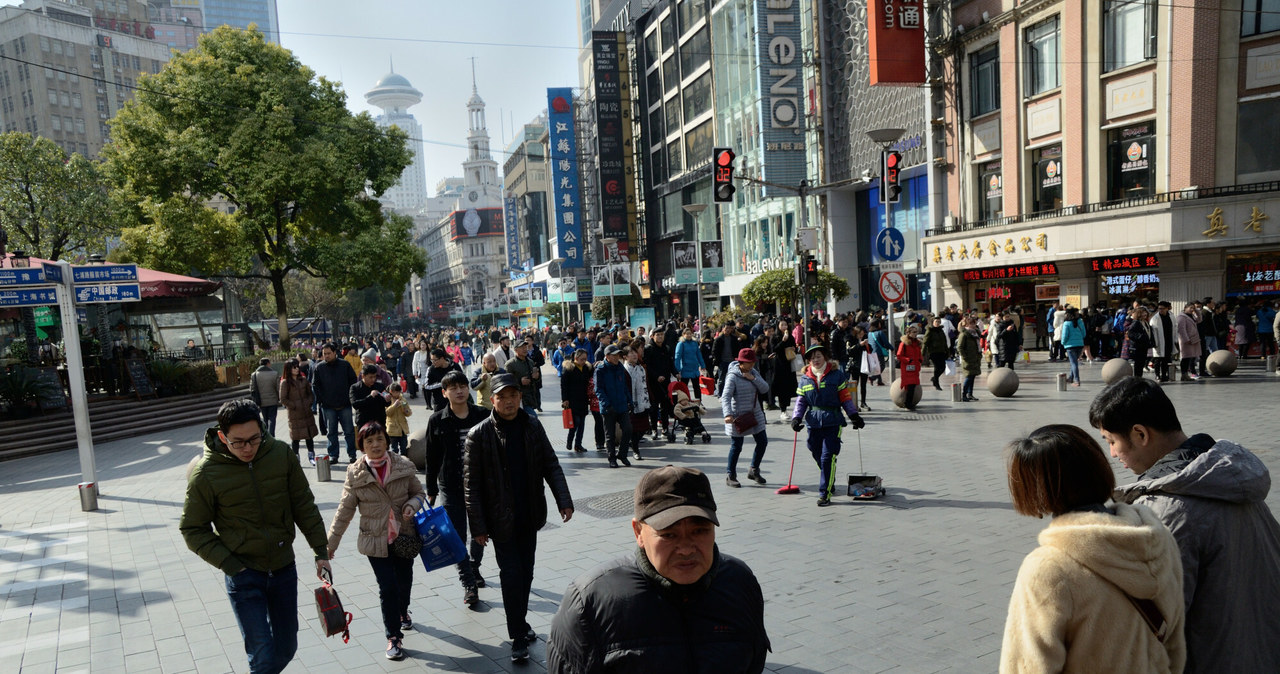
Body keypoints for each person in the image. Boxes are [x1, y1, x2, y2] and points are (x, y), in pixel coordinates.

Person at [1088, 377, 1280, 673]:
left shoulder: (1167, 511)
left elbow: (1153, 631)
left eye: (1111, 441)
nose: (1112, 454)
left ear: (1140, 434)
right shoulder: (1231, 477)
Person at [1000, 424, 1185, 673]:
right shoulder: (1156, 536)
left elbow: (1029, 666)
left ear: (1036, 490)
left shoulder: (1047, 568)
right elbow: (1174, 645)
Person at [547, 466, 770, 672]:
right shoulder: (589, 602)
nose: (685, 549)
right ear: (638, 532)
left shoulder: (740, 583)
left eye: (699, 531)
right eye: (668, 535)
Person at [180, 399, 330, 674]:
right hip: (244, 574)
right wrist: (231, 565)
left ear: (262, 429)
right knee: (261, 656)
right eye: (238, 442)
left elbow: (303, 505)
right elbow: (192, 528)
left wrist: (321, 551)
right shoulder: (205, 474)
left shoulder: (281, 454)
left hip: (283, 567)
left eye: (254, 439)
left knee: (286, 648)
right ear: (222, 436)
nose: (247, 448)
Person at [463, 374, 574, 663]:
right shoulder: (479, 435)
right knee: (511, 576)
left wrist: (564, 499)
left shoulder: (532, 425)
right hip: (500, 520)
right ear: (492, 399)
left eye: (514, 395)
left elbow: (550, 462)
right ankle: (517, 637)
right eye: (503, 396)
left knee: (526, 573)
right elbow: (471, 486)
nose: (509, 401)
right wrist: (478, 527)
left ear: (520, 398)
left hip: (529, 514)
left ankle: (521, 623)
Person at [326, 422, 427, 662]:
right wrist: (330, 545)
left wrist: (413, 505)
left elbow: (418, 492)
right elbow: (344, 511)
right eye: (369, 441)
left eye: (379, 439)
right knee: (387, 587)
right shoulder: (356, 473)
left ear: (387, 441)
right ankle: (393, 636)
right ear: (361, 446)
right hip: (375, 540)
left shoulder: (403, 465)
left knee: (404, 582)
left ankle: (403, 611)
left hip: (404, 535)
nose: (375, 445)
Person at [425, 371, 491, 608]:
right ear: (444, 393)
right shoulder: (437, 420)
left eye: (463, 386)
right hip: (450, 485)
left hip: (480, 484)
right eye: (453, 388)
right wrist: (430, 488)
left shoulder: (483, 415)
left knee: (481, 530)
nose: (460, 391)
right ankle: (468, 582)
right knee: (456, 535)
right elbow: (431, 457)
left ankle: (474, 567)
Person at [790, 344, 865, 506]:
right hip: (813, 422)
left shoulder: (836, 375)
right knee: (814, 450)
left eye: (818, 356)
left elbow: (845, 398)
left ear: (825, 357)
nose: (815, 360)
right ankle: (828, 471)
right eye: (812, 357)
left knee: (827, 457)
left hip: (833, 420)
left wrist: (854, 416)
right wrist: (796, 418)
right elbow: (801, 402)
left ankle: (825, 493)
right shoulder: (804, 379)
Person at [721, 348, 769, 488]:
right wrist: (727, 414)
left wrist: (753, 378)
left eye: (753, 362)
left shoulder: (753, 373)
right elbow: (726, 397)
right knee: (737, 446)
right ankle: (731, 475)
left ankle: (754, 469)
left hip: (755, 413)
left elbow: (765, 388)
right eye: (749, 362)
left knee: (762, 441)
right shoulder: (733, 376)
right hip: (738, 416)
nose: (752, 365)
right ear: (741, 363)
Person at [312, 342, 358, 464]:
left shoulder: (344, 365)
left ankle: (352, 454)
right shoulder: (319, 367)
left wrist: (350, 398)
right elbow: (315, 386)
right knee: (331, 432)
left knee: (349, 431)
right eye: (324, 354)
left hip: (345, 405)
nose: (326, 356)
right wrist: (321, 400)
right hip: (328, 406)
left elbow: (353, 382)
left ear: (334, 353)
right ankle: (333, 455)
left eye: (328, 353)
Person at [593, 344, 633, 468]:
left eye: (618, 355)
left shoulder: (620, 367)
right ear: (607, 356)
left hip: (621, 405)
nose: (617, 358)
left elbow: (624, 386)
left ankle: (622, 454)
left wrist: (629, 401)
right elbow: (598, 389)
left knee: (628, 429)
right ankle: (612, 458)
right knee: (610, 435)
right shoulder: (600, 369)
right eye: (614, 355)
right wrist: (606, 404)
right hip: (608, 407)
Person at [278, 360, 319, 464]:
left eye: (297, 367)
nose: (296, 369)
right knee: (295, 438)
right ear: (288, 369)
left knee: (309, 436)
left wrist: (308, 402)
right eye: (293, 367)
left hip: (306, 413)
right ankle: (296, 457)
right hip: (294, 414)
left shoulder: (303, 380)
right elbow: (283, 399)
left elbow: (310, 394)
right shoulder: (285, 382)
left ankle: (311, 455)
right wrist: (294, 405)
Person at [560, 349, 592, 453]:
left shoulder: (587, 368)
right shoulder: (569, 369)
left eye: (585, 359)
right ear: (576, 358)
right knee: (575, 422)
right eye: (581, 359)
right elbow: (564, 385)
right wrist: (565, 399)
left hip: (583, 399)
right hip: (572, 400)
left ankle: (578, 444)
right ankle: (570, 440)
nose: (584, 361)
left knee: (582, 423)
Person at [624, 345, 651, 461]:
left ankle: (632, 443)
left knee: (645, 427)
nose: (634, 355)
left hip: (643, 401)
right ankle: (636, 450)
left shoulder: (641, 368)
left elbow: (646, 384)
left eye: (635, 352)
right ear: (625, 357)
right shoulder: (624, 370)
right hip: (630, 403)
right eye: (631, 353)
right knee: (634, 429)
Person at [769, 319, 799, 423]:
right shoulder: (775, 337)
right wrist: (783, 341)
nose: (784, 327)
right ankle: (783, 410)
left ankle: (786, 408)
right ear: (778, 326)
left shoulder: (790, 336)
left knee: (788, 388)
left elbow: (794, 346)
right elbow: (774, 349)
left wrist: (793, 348)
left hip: (789, 364)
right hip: (779, 365)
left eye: (786, 324)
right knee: (781, 389)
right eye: (782, 325)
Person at [504, 340, 543, 417]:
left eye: (525, 347)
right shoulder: (510, 364)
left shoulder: (530, 362)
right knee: (533, 419)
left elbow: (536, 381)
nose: (525, 349)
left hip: (530, 398)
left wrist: (537, 377)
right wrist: (520, 381)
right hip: (517, 399)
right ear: (516, 350)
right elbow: (506, 382)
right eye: (522, 347)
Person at [351, 363, 390, 434]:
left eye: (374, 377)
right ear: (363, 376)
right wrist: (370, 397)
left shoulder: (380, 386)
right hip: (364, 422)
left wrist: (388, 400)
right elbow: (355, 404)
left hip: (379, 422)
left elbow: (386, 403)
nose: (373, 379)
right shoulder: (355, 388)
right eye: (370, 377)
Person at [422, 347, 464, 411]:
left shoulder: (454, 366)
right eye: (431, 360)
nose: (433, 362)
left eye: (435, 360)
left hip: (455, 401)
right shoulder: (431, 370)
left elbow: (463, 381)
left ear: (442, 358)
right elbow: (427, 386)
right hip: (439, 403)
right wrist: (442, 384)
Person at [249, 358, 281, 436]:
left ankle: (266, 435)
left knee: (265, 419)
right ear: (268, 363)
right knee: (272, 419)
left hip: (261, 401)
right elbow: (278, 388)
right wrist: (279, 398)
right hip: (273, 400)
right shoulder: (275, 373)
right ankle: (272, 435)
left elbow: (252, 389)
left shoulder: (254, 375)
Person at [896, 325, 924, 410]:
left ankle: (909, 403)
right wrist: (908, 360)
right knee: (909, 385)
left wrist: (920, 360)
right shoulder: (904, 343)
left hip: (915, 367)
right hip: (907, 367)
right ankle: (908, 403)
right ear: (908, 333)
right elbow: (899, 356)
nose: (916, 334)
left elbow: (919, 354)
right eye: (914, 332)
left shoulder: (917, 343)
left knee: (914, 385)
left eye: (916, 332)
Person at [956, 317, 983, 402]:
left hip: (975, 358)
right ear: (967, 324)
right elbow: (959, 347)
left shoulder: (975, 333)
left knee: (972, 376)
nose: (974, 325)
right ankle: (964, 394)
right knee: (968, 376)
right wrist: (965, 357)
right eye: (971, 324)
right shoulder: (964, 334)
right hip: (968, 359)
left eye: (974, 323)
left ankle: (970, 394)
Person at [1150, 301, 1176, 383]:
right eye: (1159, 308)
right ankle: (1157, 374)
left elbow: (1175, 327)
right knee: (1158, 359)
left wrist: (1175, 339)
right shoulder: (1155, 318)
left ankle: (1164, 375)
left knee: (1166, 358)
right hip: (1159, 341)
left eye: (1162, 308)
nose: (1160, 310)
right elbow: (1153, 332)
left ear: (1167, 309)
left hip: (1168, 340)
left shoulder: (1171, 316)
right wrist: (1155, 343)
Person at [1175, 302, 1202, 381]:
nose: (1192, 309)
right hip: (1186, 341)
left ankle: (1186, 374)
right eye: (1190, 308)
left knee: (1190, 357)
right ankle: (1184, 374)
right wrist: (1186, 339)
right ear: (1185, 308)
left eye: (1193, 308)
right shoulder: (1181, 317)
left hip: (1193, 340)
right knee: (1185, 357)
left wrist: (1196, 311)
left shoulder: (1192, 315)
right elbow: (1181, 329)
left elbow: (1199, 320)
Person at [1060, 307, 1086, 386]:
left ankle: (1076, 381)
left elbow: (1064, 336)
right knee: (1073, 362)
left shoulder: (1066, 323)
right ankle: (1071, 378)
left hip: (1070, 346)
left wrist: (1063, 343)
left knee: (1074, 363)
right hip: (1080, 345)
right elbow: (1084, 333)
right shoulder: (1080, 321)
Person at [1126, 306, 1154, 378]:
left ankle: (1139, 377)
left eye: (1145, 313)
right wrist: (1140, 337)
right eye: (1143, 313)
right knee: (1138, 363)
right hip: (1138, 347)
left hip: (1144, 346)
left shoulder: (1145, 322)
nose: (1145, 314)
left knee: (1142, 363)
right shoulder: (1136, 323)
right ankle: (1137, 377)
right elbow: (1130, 333)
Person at [384, 383, 412, 455]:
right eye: (395, 392)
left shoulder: (403, 399)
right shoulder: (387, 400)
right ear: (391, 391)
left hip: (402, 428)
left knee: (404, 448)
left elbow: (408, 413)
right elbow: (387, 413)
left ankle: (404, 463)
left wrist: (406, 409)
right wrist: (394, 406)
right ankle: (395, 463)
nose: (397, 394)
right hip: (392, 429)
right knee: (394, 449)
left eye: (399, 392)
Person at [922, 319, 948, 390]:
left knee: (943, 367)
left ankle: (934, 378)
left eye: (939, 322)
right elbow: (925, 342)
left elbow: (944, 342)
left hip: (941, 351)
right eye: (936, 322)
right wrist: (922, 353)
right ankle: (937, 383)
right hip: (933, 352)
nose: (938, 323)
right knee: (937, 367)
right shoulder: (930, 331)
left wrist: (947, 352)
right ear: (933, 322)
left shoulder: (941, 330)